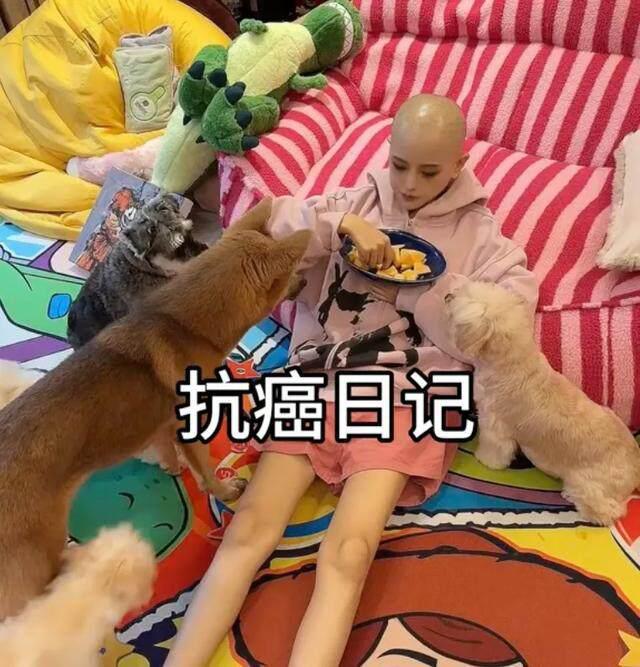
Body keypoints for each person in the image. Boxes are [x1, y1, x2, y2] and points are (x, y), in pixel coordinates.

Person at [166, 93, 539, 667]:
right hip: (314, 381)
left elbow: (498, 338)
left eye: (429, 171)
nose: (409, 184)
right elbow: (262, 236)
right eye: (399, 164)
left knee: (350, 552)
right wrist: (337, 225)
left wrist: (417, 289)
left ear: (459, 165)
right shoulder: (353, 200)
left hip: (405, 398)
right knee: (249, 529)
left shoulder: (488, 244)